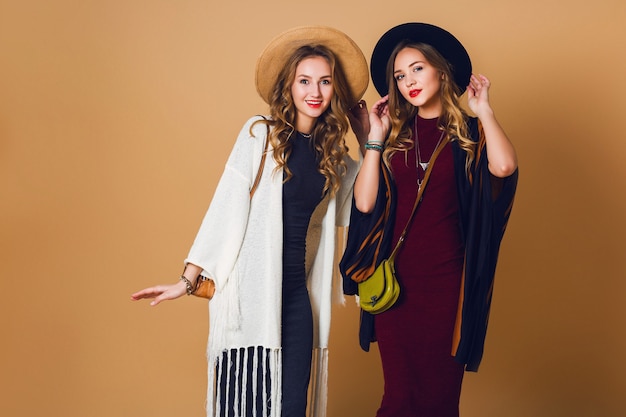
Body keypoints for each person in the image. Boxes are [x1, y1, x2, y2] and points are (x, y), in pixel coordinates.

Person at [131, 26, 369, 417]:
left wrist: (366, 139)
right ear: (289, 87)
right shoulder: (262, 135)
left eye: (325, 81)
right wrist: (187, 280)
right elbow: (225, 206)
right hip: (250, 302)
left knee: (291, 407)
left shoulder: (334, 158)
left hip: (295, 299)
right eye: (304, 80)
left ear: (334, 89)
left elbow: (364, 203)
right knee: (246, 407)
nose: (315, 91)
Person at [339, 22, 519, 416]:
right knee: (398, 398)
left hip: (447, 285)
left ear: (441, 69)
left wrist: (483, 109)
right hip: (392, 284)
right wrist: (375, 137)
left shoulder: (469, 132)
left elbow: (503, 167)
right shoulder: (393, 136)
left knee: (438, 399)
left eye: (417, 69)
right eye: (400, 76)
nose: (408, 82)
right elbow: (366, 204)